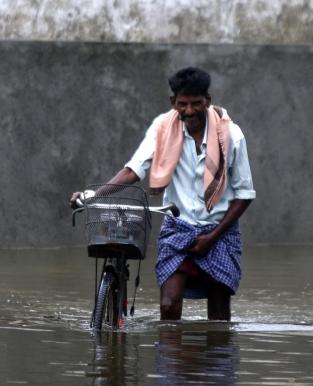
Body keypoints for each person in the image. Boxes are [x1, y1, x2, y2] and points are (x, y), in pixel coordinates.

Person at [70, 66, 256, 321]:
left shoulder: (231, 135)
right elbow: (133, 171)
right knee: (168, 307)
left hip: (220, 232)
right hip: (177, 230)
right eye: (183, 104)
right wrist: (93, 195)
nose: (189, 111)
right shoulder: (162, 128)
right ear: (173, 102)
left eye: (196, 104)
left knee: (219, 317)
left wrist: (211, 237)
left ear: (208, 101)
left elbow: (245, 195)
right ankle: (172, 360)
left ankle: (215, 360)